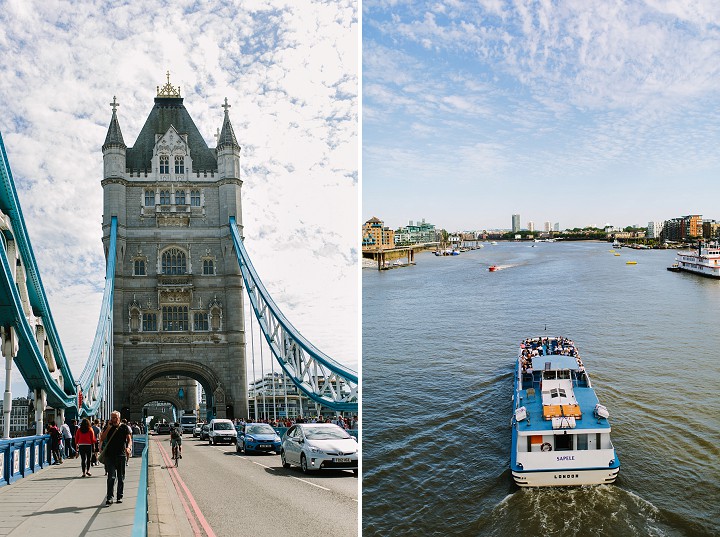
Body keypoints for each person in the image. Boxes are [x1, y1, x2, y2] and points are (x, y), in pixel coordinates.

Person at [99, 411, 132, 506]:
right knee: (111, 477)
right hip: (110, 456)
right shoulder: (107, 427)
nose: (113, 419)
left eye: (115, 418)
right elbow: (102, 438)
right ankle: (110, 497)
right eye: (112, 417)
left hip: (121, 455)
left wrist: (128, 447)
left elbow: (129, 439)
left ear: (119, 418)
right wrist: (108, 427)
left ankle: (120, 496)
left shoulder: (124, 427)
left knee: (121, 477)